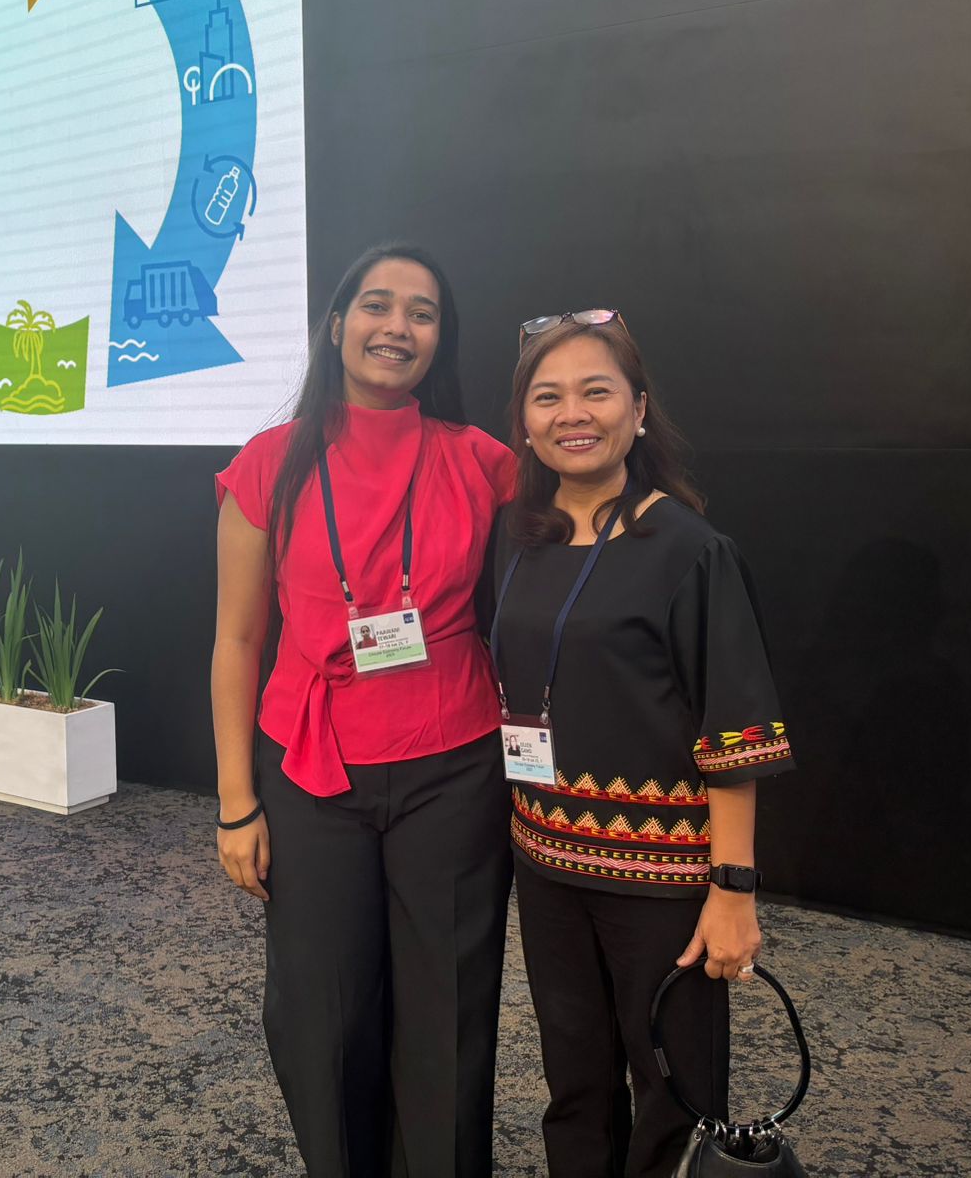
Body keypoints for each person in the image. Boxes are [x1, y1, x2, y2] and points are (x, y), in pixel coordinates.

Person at [210, 244, 517, 1176]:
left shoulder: (485, 462)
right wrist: (235, 801)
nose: (398, 326)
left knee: (449, 1013)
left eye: (422, 312)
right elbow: (237, 643)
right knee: (321, 1016)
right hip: (312, 773)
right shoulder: (270, 464)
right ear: (337, 323)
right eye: (377, 305)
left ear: (440, 339)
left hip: (454, 768)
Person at [490, 311, 794, 1178]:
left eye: (597, 391)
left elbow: (734, 733)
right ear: (524, 421)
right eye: (547, 397)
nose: (572, 414)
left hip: (661, 879)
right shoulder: (515, 539)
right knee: (574, 1081)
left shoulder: (689, 550)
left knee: (674, 1086)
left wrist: (732, 891)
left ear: (639, 409)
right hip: (545, 863)